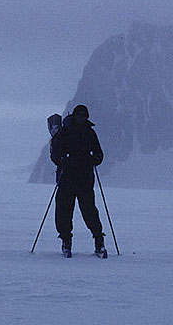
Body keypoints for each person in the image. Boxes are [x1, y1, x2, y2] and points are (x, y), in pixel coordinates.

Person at [51, 104, 107, 258]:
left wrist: (94, 159)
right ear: (75, 116)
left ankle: (98, 240)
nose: (81, 118)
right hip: (68, 178)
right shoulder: (65, 132)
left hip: (83, 179)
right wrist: (63, 161)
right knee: (64, 211)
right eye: (79, 115)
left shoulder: (90, 133)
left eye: (84, 115)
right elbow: (55, 154)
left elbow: (99, 154)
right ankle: (66, 241)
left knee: (89, 211)